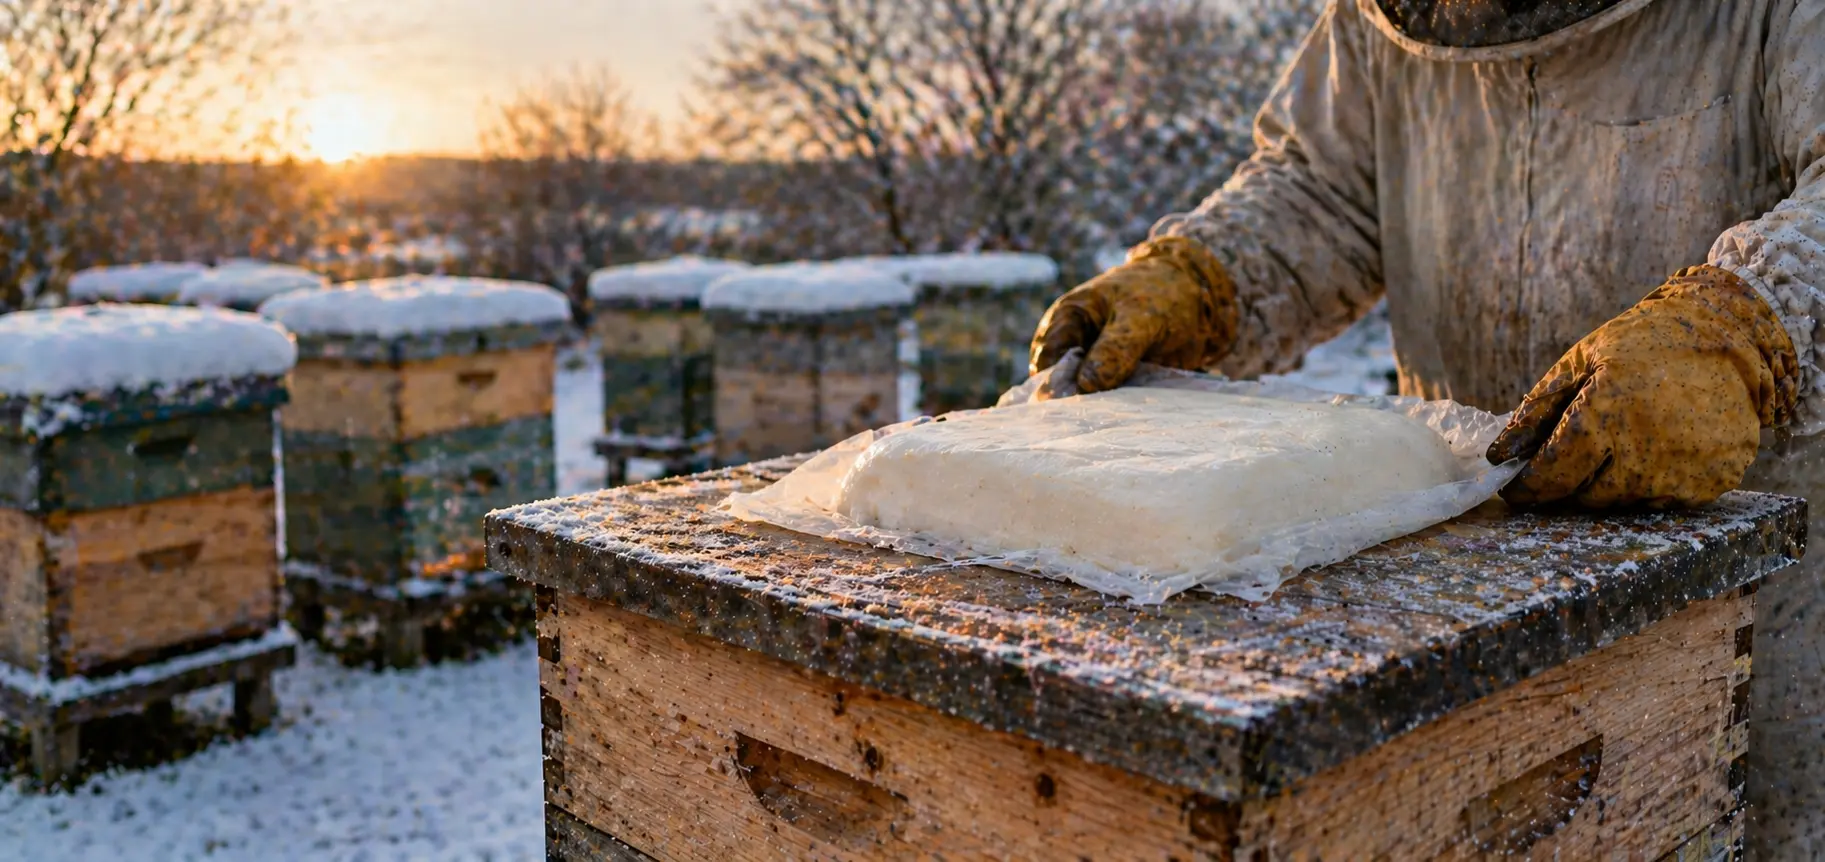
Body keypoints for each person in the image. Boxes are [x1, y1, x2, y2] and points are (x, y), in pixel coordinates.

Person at [1030, 0, 1825, 855]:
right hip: (1458, 587)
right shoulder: (1377, 22)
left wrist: (1753, 325)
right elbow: (1322, 193)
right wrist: (1208, 276)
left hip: (1767, 606)